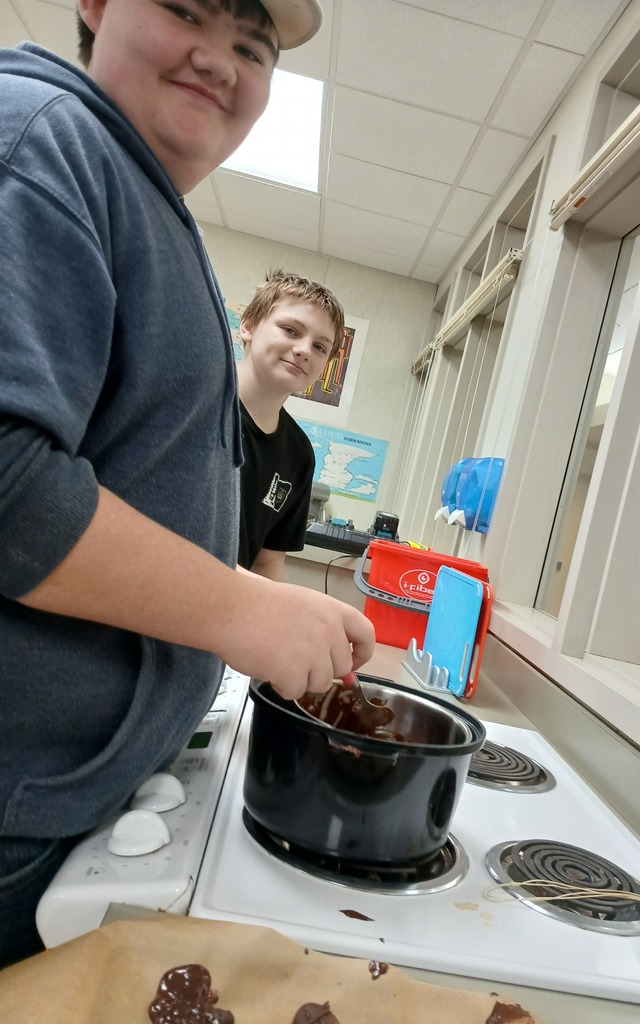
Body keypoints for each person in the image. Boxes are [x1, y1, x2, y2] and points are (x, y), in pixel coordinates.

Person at [0, 0, 374, 970]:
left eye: (253, 45)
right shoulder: (42, 140)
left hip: (64, 790)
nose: (222, 59)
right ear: (92, 4)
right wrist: (238, 611)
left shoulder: (145, 206)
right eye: (186, 10)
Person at [237, 269, 344, 579]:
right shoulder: (195, 405)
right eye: (290, 330)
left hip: (218, 617)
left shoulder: (299, 455)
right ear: (249, 326)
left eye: (320, 347)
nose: (304, 350)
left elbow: (267, 563)